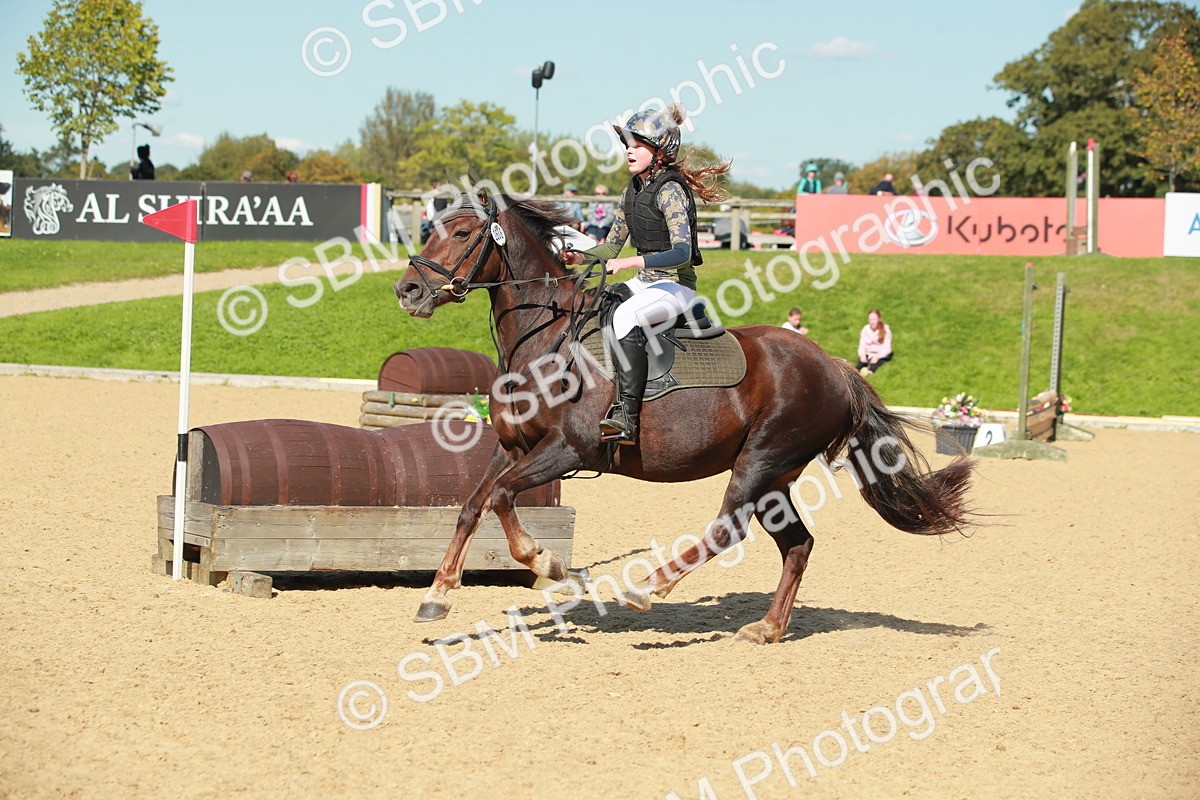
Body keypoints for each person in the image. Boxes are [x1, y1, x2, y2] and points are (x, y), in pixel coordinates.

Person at [563, 103, 731, 445]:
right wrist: (576, 256)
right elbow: (610, 248)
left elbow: (683, 252)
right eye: (627, 144)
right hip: (644, 284)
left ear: (659, 153)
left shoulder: (671, 191)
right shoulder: (632, 190)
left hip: (675, 286)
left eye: (637, 145)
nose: (629, 150)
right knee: (593, 303)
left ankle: (627, 418)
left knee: (625, 317)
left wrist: (633, 263)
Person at [856, 309, 893, 375]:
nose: (872, 322)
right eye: (870, 319)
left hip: (879, 354)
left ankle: (870, 372)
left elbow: (887, 348)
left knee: (875, 364)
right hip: (868, 353)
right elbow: (862, 344)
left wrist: (877, 356)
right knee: (860, 365)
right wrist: (862, 355)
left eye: (874, 319)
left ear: (879, 319)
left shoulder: (885, 329)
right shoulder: (865, 329)